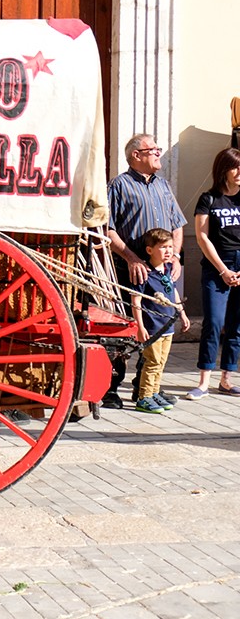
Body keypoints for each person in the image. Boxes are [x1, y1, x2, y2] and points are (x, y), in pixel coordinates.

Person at [103, 134, 187, 409]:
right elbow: (108, 228)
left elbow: (176, 224)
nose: (158, 154)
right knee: (127, 330)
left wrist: (174, 255)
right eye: (153, 150)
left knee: (159, 329)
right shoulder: (119, 186)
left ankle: (146, 390)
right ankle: (111, 389)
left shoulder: (163, 186)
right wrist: (131, 258)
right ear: (136, 155)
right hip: (132, 270)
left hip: (162, 272)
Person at [186, 147, 240, 400]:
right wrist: (223, 270)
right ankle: (204, 381)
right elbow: (202, 236)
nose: (239, 172)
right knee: (214, 322)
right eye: (235, 167)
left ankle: (227, 379)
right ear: (223, 170)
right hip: (217, 266)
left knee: (236, 325)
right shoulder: (208, 199)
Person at [130, 228, 191, 413]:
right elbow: (136, 300)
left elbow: (172, 291)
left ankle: (154, 392)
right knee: (152, 362)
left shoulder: (168, 268)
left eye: (171, 247)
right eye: (163, 247)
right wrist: (139, 327)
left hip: (167, 325)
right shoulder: (144, 272)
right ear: (150, 250)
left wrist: (182, 313)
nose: (168, 251)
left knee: (161, 362)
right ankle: (144, 397)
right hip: (153, 326)